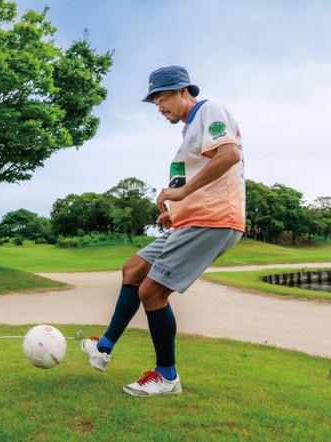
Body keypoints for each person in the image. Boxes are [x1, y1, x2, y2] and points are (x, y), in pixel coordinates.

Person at [81, 65, 245, 396]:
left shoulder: (208, 111)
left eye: (162, 98)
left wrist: (181, 194)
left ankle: (166, 376)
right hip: (191, 220)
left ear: (184, 91)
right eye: (155, 101)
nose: (159, 107)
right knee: (133, 269)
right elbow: (203, 173)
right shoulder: (191, 130)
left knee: (152, 292)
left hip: (212, 220)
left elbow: (229, 155)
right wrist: (176, 212)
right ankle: (104, 347)